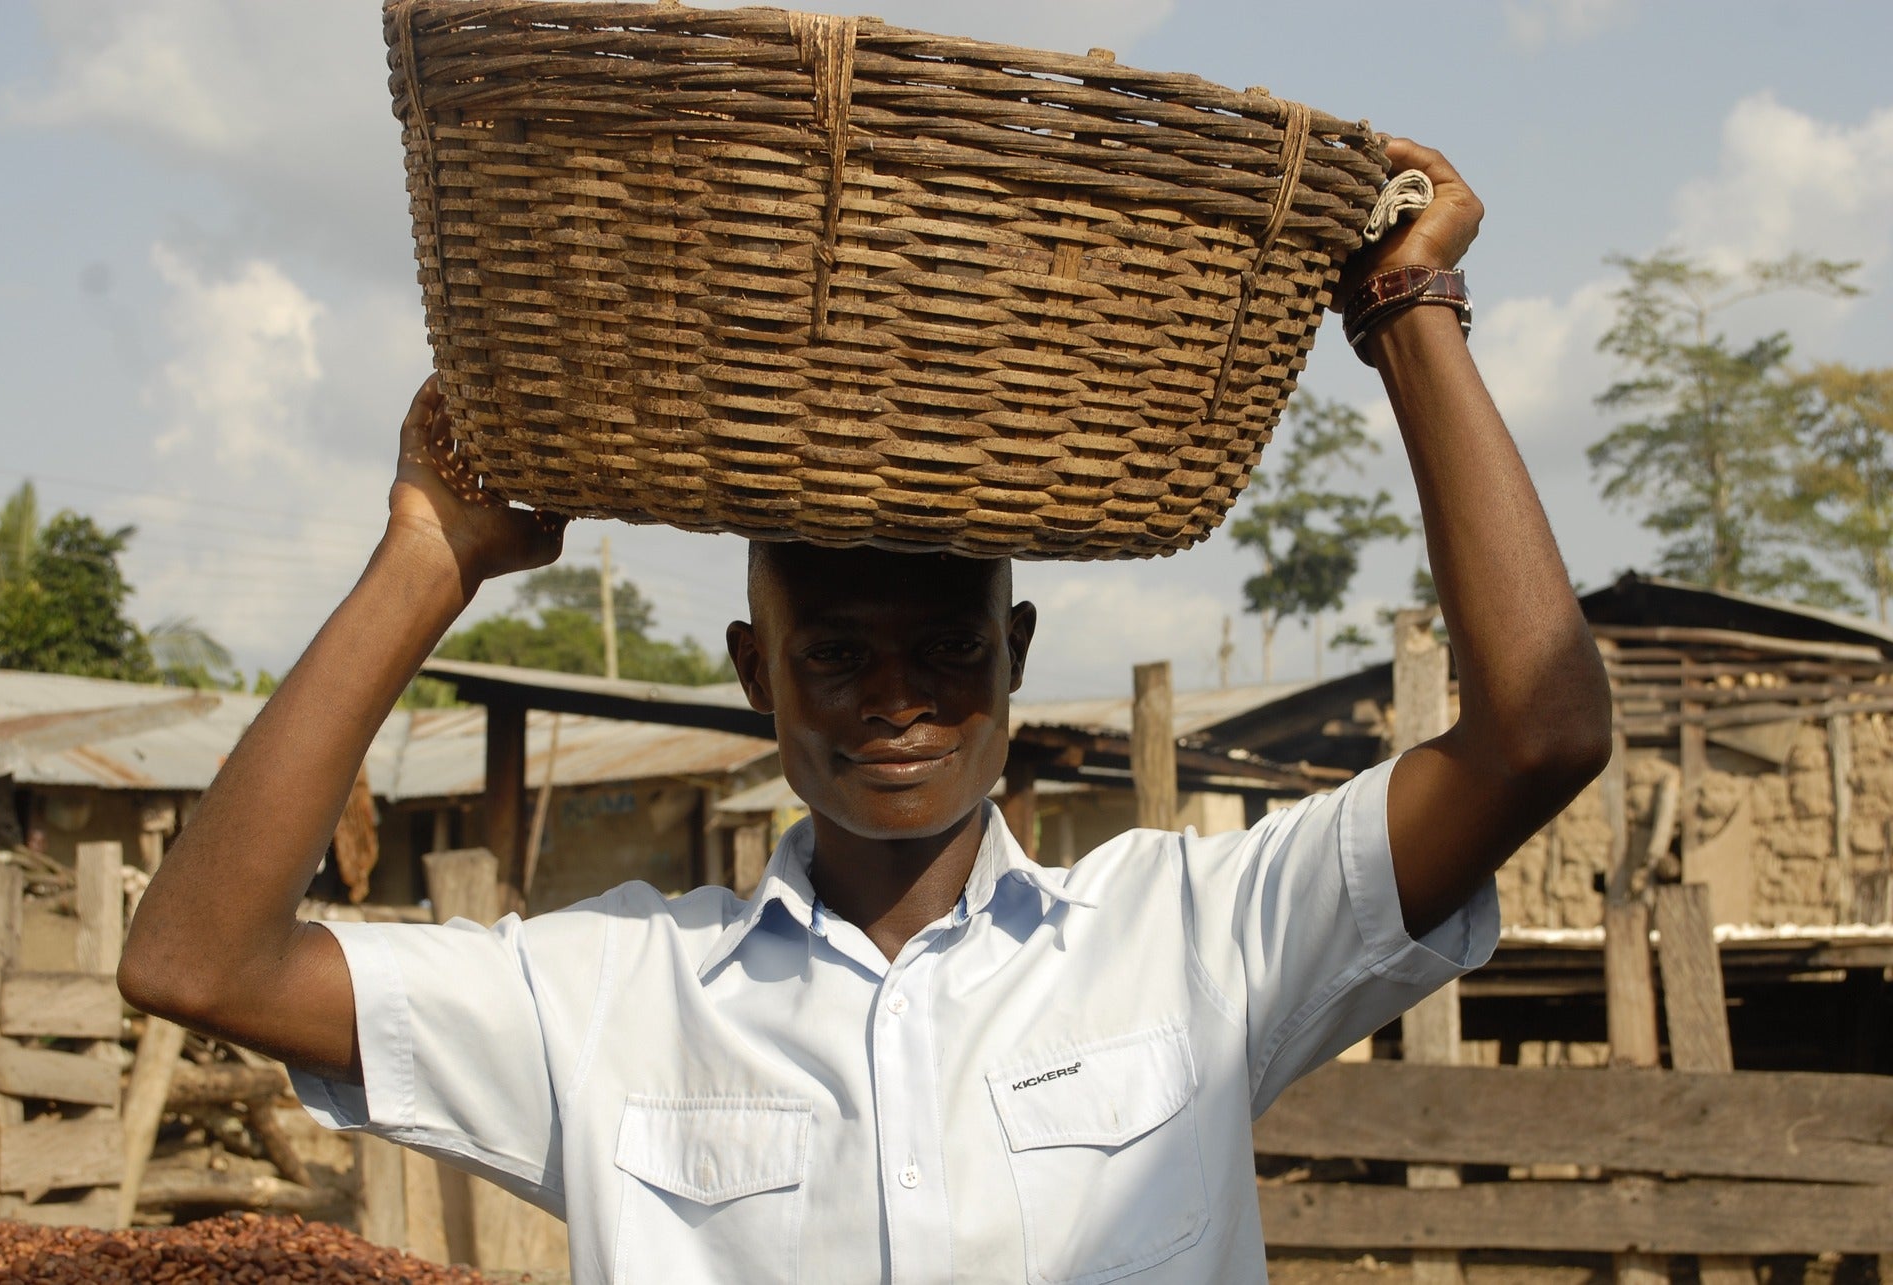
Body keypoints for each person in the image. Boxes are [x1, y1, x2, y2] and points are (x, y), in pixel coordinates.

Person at [119, 140, 1613, 1282]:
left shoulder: (1202, 938)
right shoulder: (613, 996)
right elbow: (198, 959)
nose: (897, 701)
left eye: (947, 648)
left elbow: (1538, 736)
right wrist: (425, 562)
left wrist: (1409, 311)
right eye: (833, 653)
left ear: (1014, 652)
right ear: (752, 672)